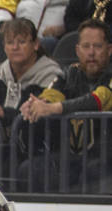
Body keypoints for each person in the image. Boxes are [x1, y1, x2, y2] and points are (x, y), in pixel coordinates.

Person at [18, 19, 112, 191]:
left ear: (109, 49)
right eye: (86, 46)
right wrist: (36, 105)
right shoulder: (68, 74)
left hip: (106, 158)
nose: (91, 53)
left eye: (97, 46)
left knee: (94, 171)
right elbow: (50, 96)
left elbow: (98, 99)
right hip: (72, 158)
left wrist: (54, 108)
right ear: (77, 50)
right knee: (30, 169)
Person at [0, 18, 64, 183]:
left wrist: (3, 112)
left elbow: (36, 118)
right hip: (2, 148)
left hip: (39, 149)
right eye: (10, 42)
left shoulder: (52, 75)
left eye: (21, 41)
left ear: (36, 44)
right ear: (4, 47)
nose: (15, 47)